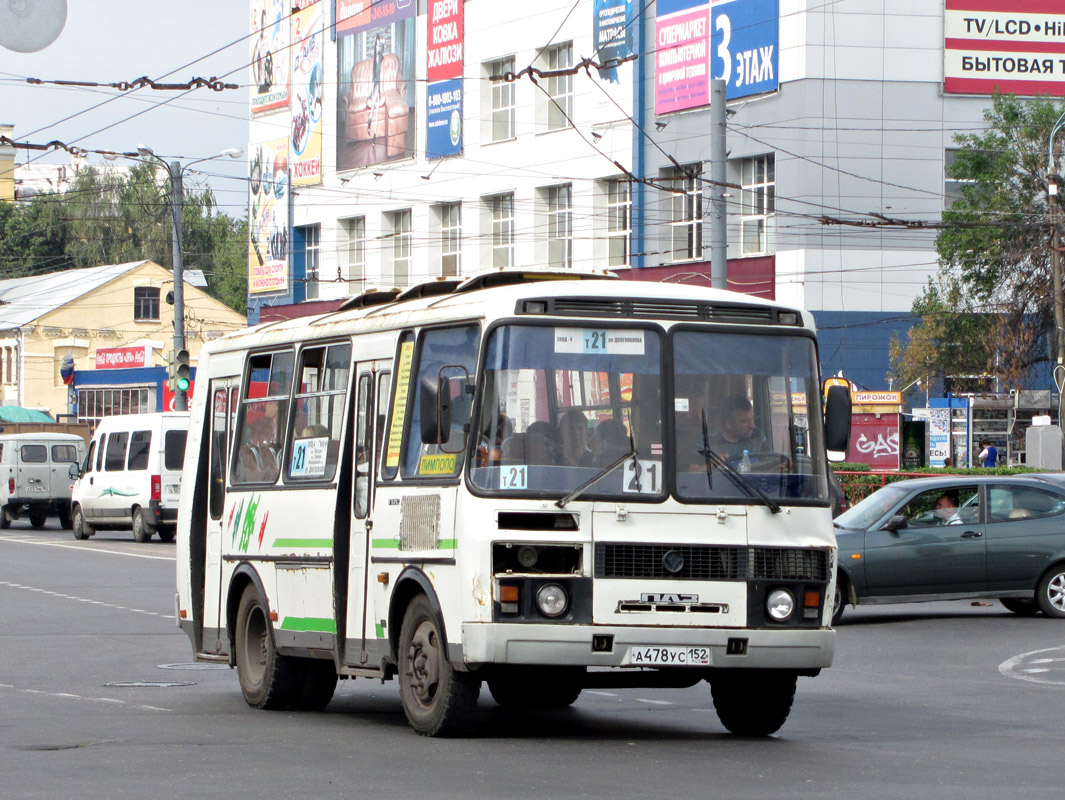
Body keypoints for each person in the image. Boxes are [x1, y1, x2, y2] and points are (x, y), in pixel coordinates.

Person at [710, 395, 767, 461]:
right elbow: (696, 469)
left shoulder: (757, 436)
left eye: (752, 419)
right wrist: (712, 464)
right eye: (745, 421)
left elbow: (771, 463)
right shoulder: (708, 443)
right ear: (729, 424)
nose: (752, 426)